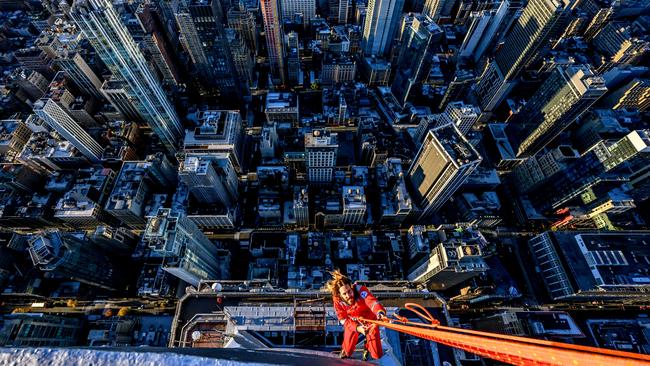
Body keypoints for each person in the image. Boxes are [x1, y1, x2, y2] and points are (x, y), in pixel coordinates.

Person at [326, 270, 387, 360]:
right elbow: (343, 319)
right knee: (348, 346)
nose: (348, 295)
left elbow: (372, 302)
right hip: (352, 321)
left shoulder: (360, 290)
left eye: (349, 291)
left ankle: (372, 354)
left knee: (377, 353)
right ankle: (345, 353)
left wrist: (379, 312)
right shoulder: (337, 300)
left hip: (369, 320)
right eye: (344, 294)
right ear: (340, 295)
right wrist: (357, 328)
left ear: (351, 287)